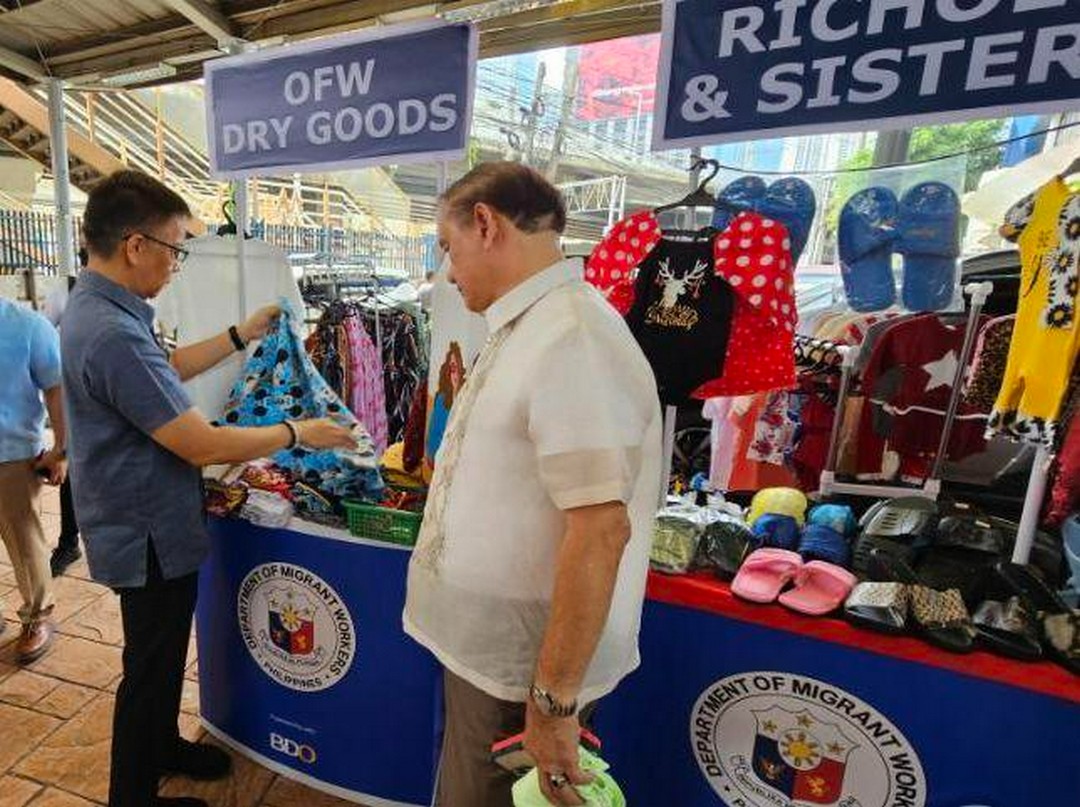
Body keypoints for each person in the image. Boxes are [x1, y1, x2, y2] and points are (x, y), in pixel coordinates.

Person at [61, 170, 356, 807]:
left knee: (160, 656)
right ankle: (132, 795)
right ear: (136, 245)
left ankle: (162, 749)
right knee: (149, 667)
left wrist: (238, 336)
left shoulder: (101, 310)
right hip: (145, 529)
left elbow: (160, 371)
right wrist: (296, 430)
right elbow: (199, 443)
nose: (176, 264)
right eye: (174, 248)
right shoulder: (111, 331)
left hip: (136, 515)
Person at [403, 162, 662, 807]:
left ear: (485, 224)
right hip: (494, 656)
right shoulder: (533, 323)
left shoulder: (573, 337)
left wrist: (551, 702)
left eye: (447, 246)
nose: (448, 268)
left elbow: (602, 528)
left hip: (522, 670)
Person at [0, 294, 67, 664]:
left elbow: (57, 390)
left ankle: (38, 617)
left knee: (25, 541)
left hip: (11, 454)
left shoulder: (27, 326)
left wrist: (62, 448)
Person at [43, 247, 87, 576]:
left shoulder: (135, 293)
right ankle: (69, 542)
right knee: (70, 465)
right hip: (74, 394)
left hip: (114, 397)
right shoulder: (66, 291)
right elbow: (43, 333)